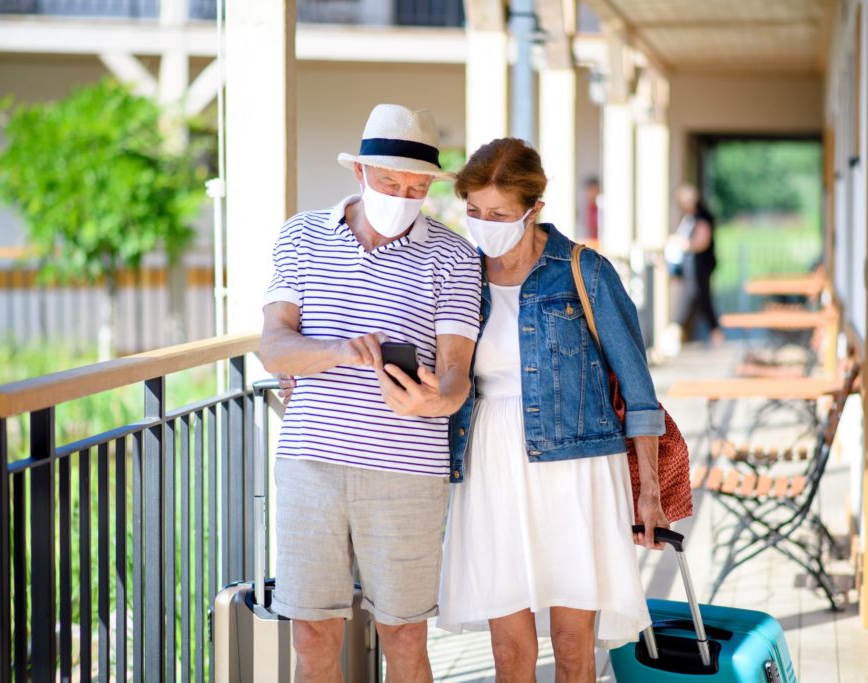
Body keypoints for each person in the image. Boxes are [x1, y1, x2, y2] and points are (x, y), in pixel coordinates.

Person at [259, 103, 482, 683]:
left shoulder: (455, 256)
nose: (404, 197)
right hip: (310, 465)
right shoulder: (301, 234)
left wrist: (435, 399)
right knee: (311, 634)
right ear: (359, 173)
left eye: (417, 188)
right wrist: (335, 350)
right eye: (390, 183)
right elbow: (274, 348)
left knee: (405, 635)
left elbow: (456, 375)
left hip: (407, 472)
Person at [437, 138, 668, 682]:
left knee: (571, 644)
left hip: (578, 469)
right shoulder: (459, 275)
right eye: (472, 211)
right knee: (510, 652)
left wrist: (650, 489)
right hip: (491, 465)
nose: (483, 224)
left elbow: (639, 390)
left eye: (498, 213)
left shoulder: (584, 271)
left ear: (534, 209)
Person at [664, 184, 723, 352]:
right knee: (693, 299)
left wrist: (682, 244)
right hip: (690, 266)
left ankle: (711, 333)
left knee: (700, 298)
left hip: (700, 265)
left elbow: (701, 242)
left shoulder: (701, 217)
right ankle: (681, 332)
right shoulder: (690, 217)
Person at [582, 175, 602, 246]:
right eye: (591, 190)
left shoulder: (601, 206)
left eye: (595, 190)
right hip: (592, 242)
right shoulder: (589, 206)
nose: (592, 193)